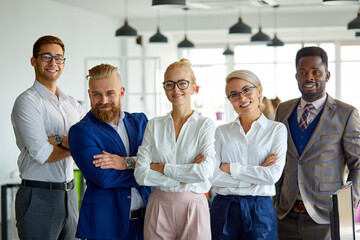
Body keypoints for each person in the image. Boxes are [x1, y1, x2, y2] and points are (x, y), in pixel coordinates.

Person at [274, 46, 360, 239]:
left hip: (325, 217)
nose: (309, 77)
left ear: (327, 75)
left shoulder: (346, 114)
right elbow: (277, 158)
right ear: (296, 76)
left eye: (316, 72)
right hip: (285, 215)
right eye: (303, 72)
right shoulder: (283, 110)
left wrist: (347, 205)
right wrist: (275, 199)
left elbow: (358, 164)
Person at [11, 35, 84, 239]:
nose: (53, 63)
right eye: (46, 56)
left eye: (59, 58)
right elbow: (42, 153)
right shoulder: (27, 102)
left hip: (70, 195)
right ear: (33, 61)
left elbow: (89, 144)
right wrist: (76, 145)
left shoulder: (72, 104)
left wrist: (58, 140)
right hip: (38, 196)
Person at [134, 58, 215, 240]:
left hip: (194, 207)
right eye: (170, 84)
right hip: (158, 206)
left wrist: (161, 167)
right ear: (164, 88)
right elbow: (140, 174)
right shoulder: (154, 125)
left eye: (182, 83)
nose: (176, 89)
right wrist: (184, 178)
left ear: (194, 87)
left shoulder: (205, 125)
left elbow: (204, 172)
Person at [68, 64, 152, 240]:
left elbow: (161, 157)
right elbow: (104, 178)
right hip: (106, 226)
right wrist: (151, 170)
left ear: (121, 92)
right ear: (90, 95)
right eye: (97, 94)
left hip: (148, 222)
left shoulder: (141, 122)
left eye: (110, 93)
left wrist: (126, 163)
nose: (104, 100)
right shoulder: (81, 131)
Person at [210, 70, 287, 240]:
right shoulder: (221, 132)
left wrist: (230, 168)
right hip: (224, 209)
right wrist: (256, 175)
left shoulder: (276, 130)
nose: (242, 98)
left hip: (260, 209)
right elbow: (213, 176)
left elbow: (272, 175)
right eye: (234, 95)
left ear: (259, 91)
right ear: (229, 100)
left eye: (247, 90)